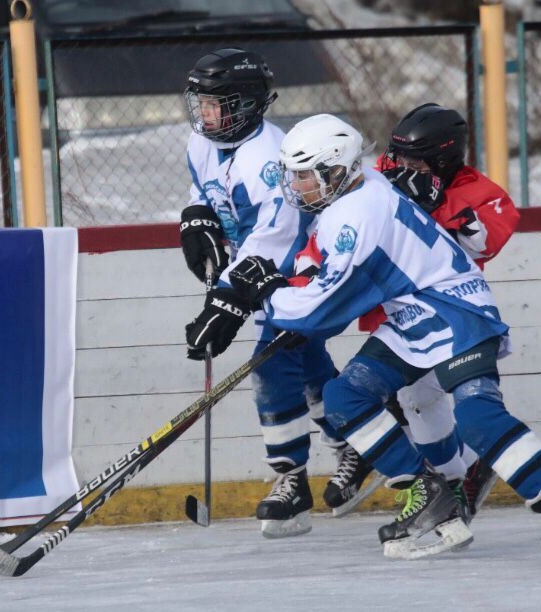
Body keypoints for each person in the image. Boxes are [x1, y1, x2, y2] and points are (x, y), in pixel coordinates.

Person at [187, 112, 541, 562]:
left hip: (457, 314)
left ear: (334, 171)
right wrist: (281, 290)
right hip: (411, 319)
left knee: (477, 418)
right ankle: (430, 494)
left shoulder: (359, 214)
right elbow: (317, 268)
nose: (294, 186)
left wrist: (271, 297)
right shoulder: (353, 193)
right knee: (344, 397)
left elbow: (320, 307)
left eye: (303, 176)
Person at [320, 103, 521, 519]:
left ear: (443, 160)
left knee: (418, 398)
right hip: (394, 310)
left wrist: (435, 209)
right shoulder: (383, 175)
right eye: (397, 156)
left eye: (413, 160)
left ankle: (449, 484)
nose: (399, 165)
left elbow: (483, 243)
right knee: (406, 399)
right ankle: (460, 472)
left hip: (447, 314)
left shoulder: (481, 193)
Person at [179, 48, 345, 538]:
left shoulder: (270, 159)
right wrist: (198, 218)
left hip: (297, 270)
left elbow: (276, 237)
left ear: (247, 105)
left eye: (216, 105)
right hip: (257, 269)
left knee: (272, 362)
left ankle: (291, 482)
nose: (205, 115)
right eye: (201, 104)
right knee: (305, 359)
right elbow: (204, 191)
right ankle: (354, 441)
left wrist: (226, 298)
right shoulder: (202, 142)